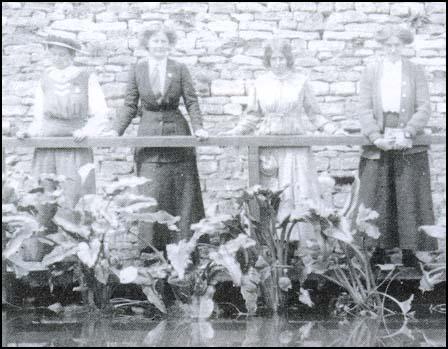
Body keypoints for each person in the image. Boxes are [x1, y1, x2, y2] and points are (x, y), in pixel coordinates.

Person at [221, 39, 343, 242]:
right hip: (269, 148)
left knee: (300, 194)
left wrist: (335, 130)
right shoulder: (260, 83)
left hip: (296, 149)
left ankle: (302, 245)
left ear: (288, 59)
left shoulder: (301, 81)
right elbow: (252, 115)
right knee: (272, 197)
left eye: (282, 58)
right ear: (268, 61)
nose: (278, 62)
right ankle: (273, 246)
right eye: (274, 59)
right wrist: (234, 131)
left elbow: (315, 114)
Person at [105, 24, 208, 252]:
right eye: (156, 41)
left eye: (164, 42)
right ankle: (151, 250)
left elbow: (191, 101)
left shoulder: (179, 68)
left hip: (177, 134)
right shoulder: (137, 70)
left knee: (181, 192)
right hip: (149, 137)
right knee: (151, 192)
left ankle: (184, 248)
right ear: (147, 45)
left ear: (169, 45)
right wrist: (115, 131)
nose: (160, 45)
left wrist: (198, 127)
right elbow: (130, 105)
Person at [16, 34, 108, 261]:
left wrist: (86, 131)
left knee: (74, 199)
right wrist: (29, 131)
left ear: (72, 55)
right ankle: (38, 267)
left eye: (63, 54)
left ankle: (76, 265)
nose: (58, 58)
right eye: (54, 53)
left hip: (74, 147)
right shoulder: (45, 78)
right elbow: (39, 116)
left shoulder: (86, 77)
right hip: (47, 149)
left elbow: (101, 113)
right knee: (43, 199)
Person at [356, 24, 437, 267]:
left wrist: (409, 131)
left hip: (407, 139)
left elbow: (424, 106)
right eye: (388, 45)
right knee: (378, 193)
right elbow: (363, 108)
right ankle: (377, 249)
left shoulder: (415, 71)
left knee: (407, 192)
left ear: (404, 46)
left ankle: (410, 251)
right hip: (380, 137)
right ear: (382, 46)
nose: (393, 49)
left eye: (397, 45)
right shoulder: (371, 71)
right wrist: (375, 136)